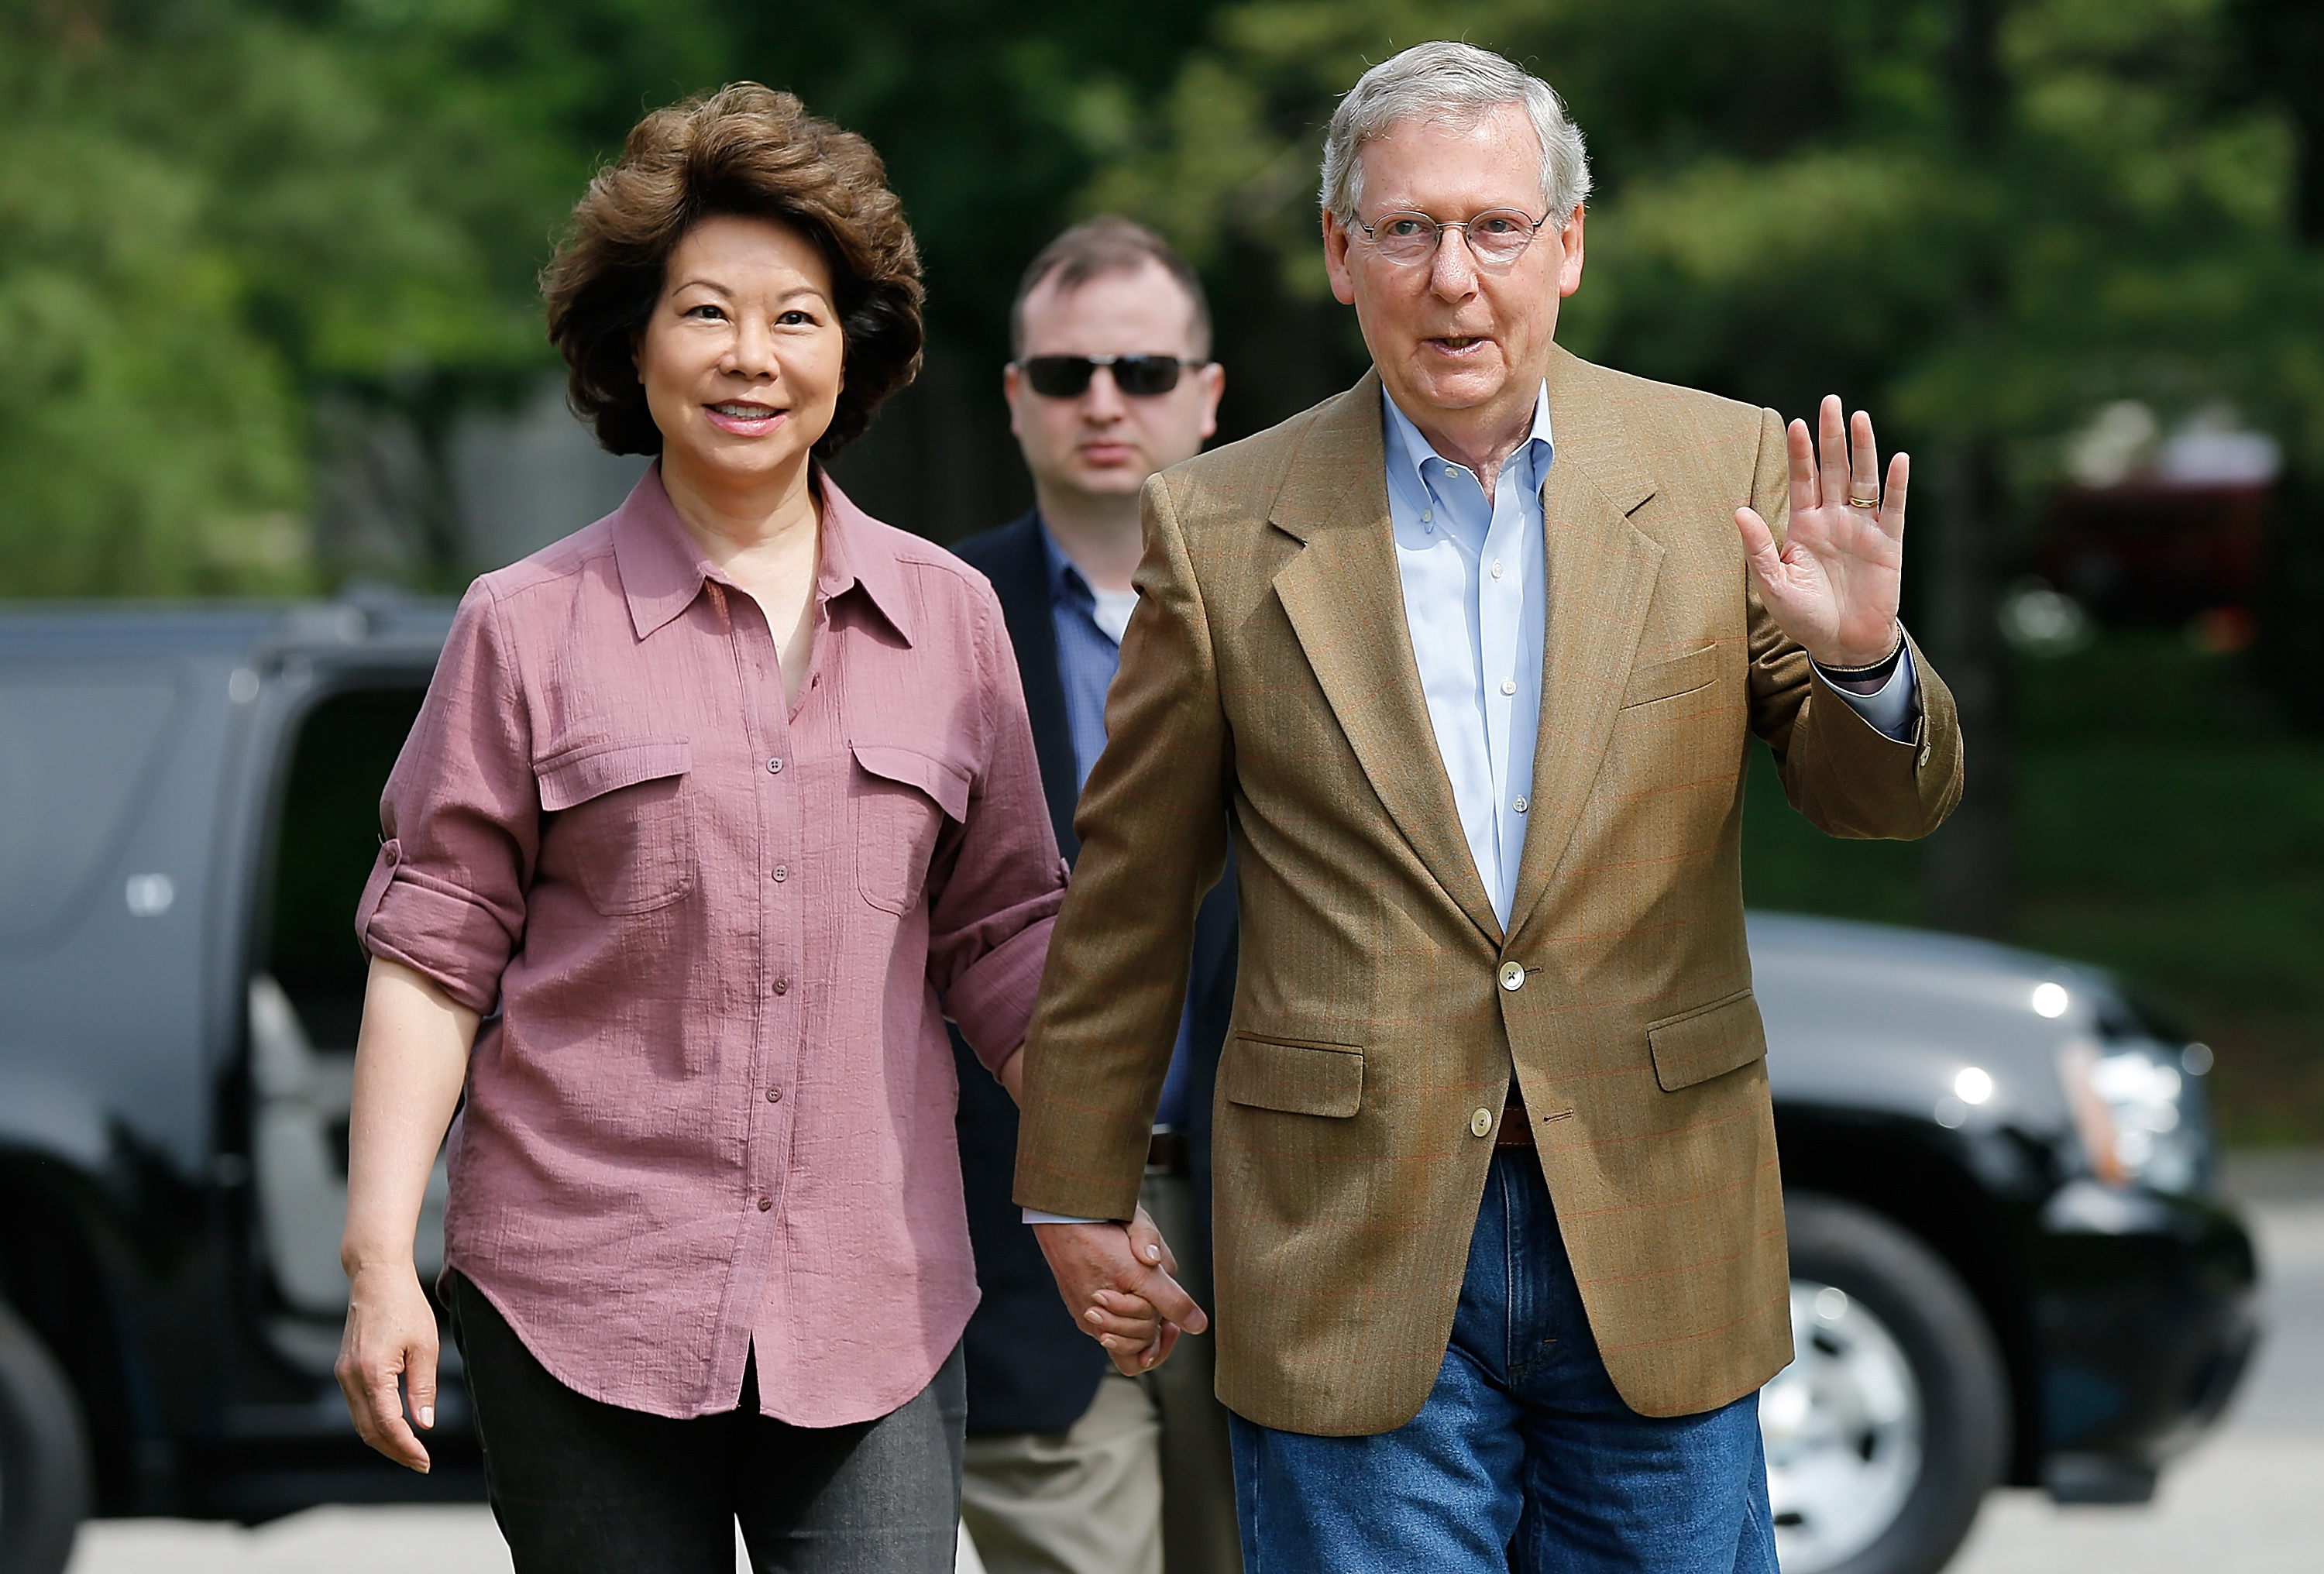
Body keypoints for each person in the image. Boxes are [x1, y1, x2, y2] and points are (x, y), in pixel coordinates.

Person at [1011, 41, 1964, 1573]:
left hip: (1654, 1220)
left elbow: (1879, 804)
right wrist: (1075, 1177)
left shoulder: (1722, 466)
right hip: (1347, 1236)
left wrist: (1865, 665)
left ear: (1568, 245)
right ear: (1340, 252)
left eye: (1496, 227)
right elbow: (1129, 884)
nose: (1454, 278)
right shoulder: (1217, 520)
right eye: (1406, 229)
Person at [332, 84, 1073, 1574]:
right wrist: (377, 1269)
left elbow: (1004, 938)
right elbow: (433, 962)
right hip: (578, 1295)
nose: (752, 358)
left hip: (874, 1296)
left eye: (796, 317)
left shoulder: (952, 619)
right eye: (706, 313)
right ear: (634, 342)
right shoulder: (523, 628)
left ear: (849, 349)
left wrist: (1103, 1176)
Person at [947, 218, 1239, 1574]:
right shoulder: (926, 619)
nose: (1106, 402)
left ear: (1208, 392)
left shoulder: (1317, 606)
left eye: (1142, 368)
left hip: (1283, 1233)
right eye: (1066, 376)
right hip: (1023, 1244)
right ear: (1017, 401)